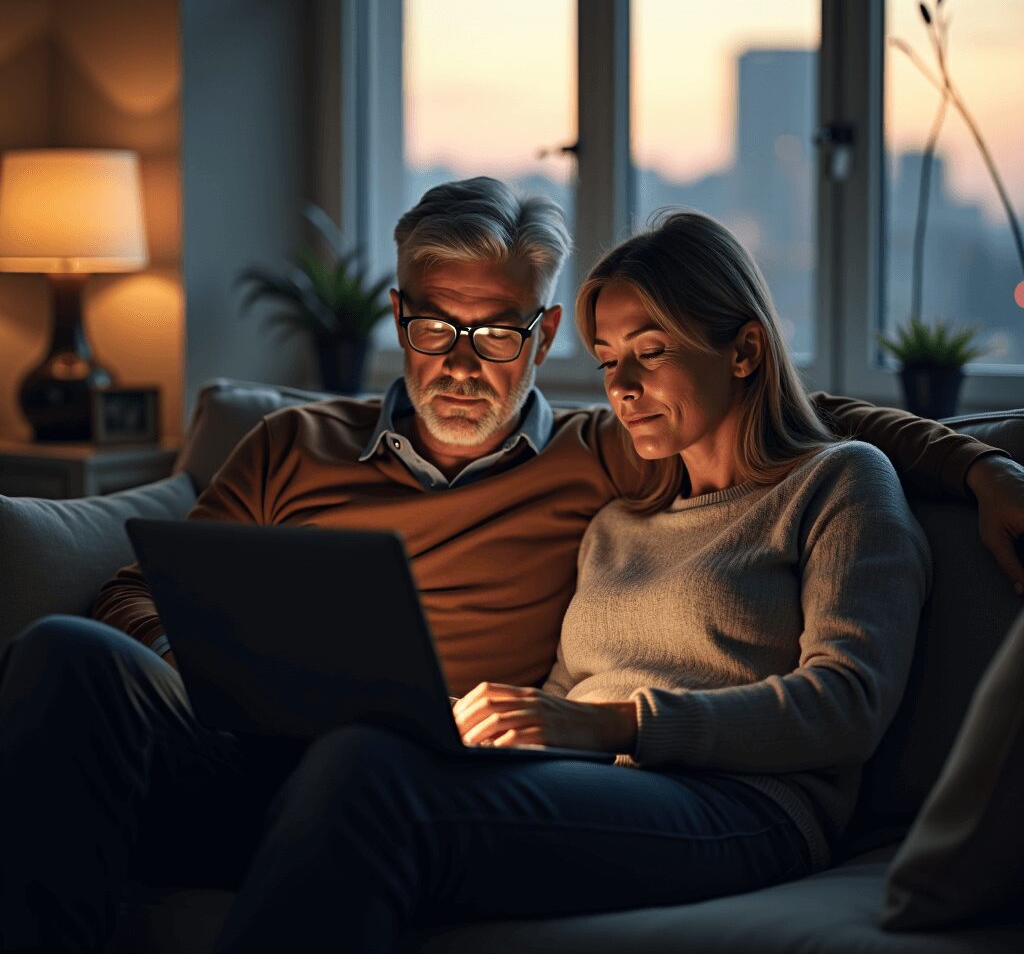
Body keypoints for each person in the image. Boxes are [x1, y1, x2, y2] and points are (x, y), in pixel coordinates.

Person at [0, 180, 1021, 953]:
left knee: (365, 764)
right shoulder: (610, 500)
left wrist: (977, 465)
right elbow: (145, 584)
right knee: (66, 652)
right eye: (436, 326)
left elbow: (804, 427)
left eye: (493, 332)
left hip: (663, 785)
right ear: (397, 317)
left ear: (541, 336)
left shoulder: (640, 463)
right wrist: (202, 658)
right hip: (287, 752)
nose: (458, 359)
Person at [211, 210, 933, 951]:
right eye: (608, 359)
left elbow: (849, 704)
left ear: (745, 350)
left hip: (742, 803)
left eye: (651, 352)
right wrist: (480, 730)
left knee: (368, 775)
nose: (621, 386)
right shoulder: (619, 521)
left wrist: (619, 723)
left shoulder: (840, 481)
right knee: (359, 750)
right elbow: (563, 695)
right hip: (601, 784)